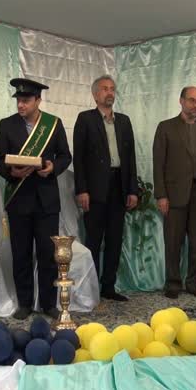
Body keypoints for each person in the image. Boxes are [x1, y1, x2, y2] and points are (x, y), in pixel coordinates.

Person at [0, 78, 72, 320]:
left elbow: (65, 156)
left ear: (38, 100)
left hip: (46, 199)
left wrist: (52, 167)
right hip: (19, 198)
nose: (21, 105)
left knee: (48, 254)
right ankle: (24, 303)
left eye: (26, 100)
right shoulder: (6, 125)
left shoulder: (53, 124)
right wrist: (11, 172)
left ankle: (49, 304)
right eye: (18, 100)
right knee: (21, 254)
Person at [73, 75, 137, 302]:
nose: (109, 92)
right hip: (94, 190)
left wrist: (132, 190)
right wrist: (81, 190)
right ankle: (91, 288)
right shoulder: (85, 119)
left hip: (119, 186)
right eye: (104, 89)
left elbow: (131, 158)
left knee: (115, 240)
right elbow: (78, 158)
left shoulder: (124, 121)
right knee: (93, 240)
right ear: (95, 94)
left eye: (112, 89)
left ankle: (108, 286)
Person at [153, 86, 196, 299]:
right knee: (173, 242)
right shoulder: (166, 127)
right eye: (192, 100)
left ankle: (193, 283)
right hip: (174, 195)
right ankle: (173, 283)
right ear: (181, 101)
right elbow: (158, 164)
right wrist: (161, 195)